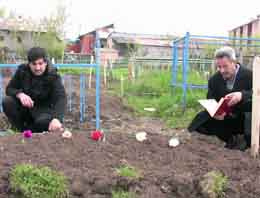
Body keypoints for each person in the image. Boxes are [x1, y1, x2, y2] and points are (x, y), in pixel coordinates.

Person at [188, 46, 252, 150]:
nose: (222, 70)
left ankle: (246, 140)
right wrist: (215, 111)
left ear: (234, 62)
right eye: (219, 67)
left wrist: (242, 95)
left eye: (225, 66)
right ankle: (232, 139)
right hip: (226, 116)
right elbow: (210, 98)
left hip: (245, 117)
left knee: (250, 116)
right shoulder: (214, 80)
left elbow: (257, 93)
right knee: (201, 121)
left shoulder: (251, 75)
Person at [3, 47, 66, 133]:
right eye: (34, 64)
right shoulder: (22, 71)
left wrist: (57, 118)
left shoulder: (53, 76)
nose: (37, 68)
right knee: (7, 102)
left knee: (43, 122)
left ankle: (33, 131)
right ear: (29, 64)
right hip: (25, 110)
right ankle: (20, 130)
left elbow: (61, 98)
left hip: (44, 112)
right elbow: (9, 89)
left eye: (40, 63)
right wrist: (20, 94)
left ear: (46, 63)